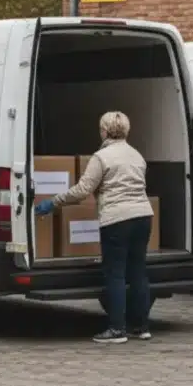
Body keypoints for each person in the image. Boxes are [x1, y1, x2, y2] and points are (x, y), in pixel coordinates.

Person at [36, 111, 154, 344]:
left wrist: (53, 203)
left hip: (117, 220)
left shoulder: (101, 157)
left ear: (104, 131)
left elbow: (82, 190)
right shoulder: (137, 155)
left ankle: (116, 330)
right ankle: (141, 327)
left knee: (115, 274)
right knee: (138, 271)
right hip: (143, 217)